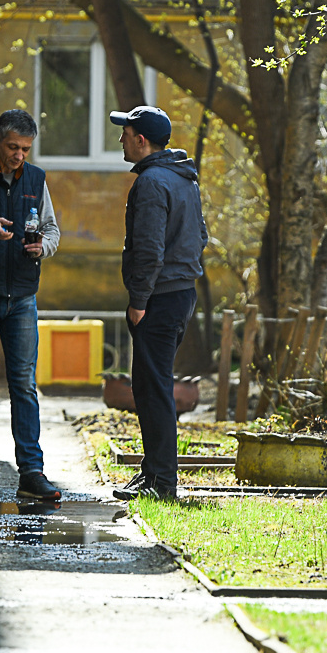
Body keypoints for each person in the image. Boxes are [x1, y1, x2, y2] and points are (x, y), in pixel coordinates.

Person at [0, 109, 62, 501]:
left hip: (22, 296)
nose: (20, 155)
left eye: (25, 149)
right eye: (13, 147)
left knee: (24, 385)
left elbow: (52, 229)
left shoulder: (36, 179)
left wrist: (43, 248)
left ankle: (32, 472)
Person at [108, 104, 206, 502]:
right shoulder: (183, 178)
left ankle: (162, 481)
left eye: (126, 133)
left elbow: (147, 249)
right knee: (152, 386)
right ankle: (153, 472)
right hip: (180, 293)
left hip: (159, 298)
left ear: (141, 140)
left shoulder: (151, 183)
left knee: (153, 389)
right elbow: (200, 236)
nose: (121, 139)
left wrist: (139, 300)